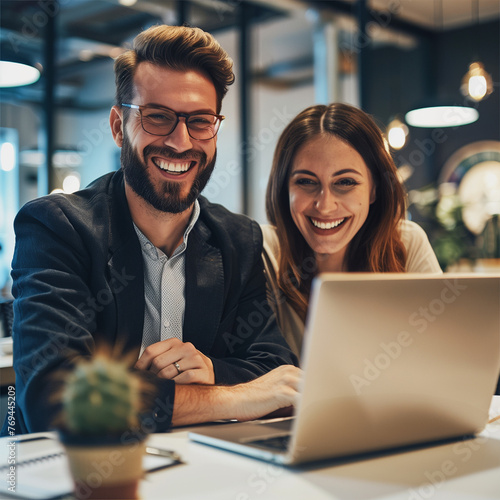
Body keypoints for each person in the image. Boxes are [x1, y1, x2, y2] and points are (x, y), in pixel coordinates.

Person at [3, 24, 300, 436]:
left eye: (199, 121)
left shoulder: (238, 239)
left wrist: (210, 369)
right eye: (157, 117)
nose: (180, 142)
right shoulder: (56, 227)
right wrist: (229, 396)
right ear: (117, 126)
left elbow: (274, 368)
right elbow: (53, 399)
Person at [263, 103, 442, 357]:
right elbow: (249, 371)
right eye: (306, 182)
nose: (324, 206)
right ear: (284, 190)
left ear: (374, 189)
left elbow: (441, 356)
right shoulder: (263, 250)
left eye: (345, 182)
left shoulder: (407, 243)